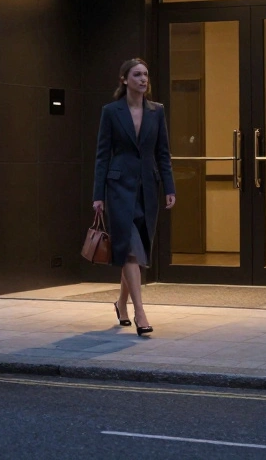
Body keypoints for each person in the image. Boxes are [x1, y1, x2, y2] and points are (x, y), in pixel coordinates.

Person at [92, 58, 175, 336]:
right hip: (118, 188)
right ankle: (141, 313)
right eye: (137, 75)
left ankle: (121, 304)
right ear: (124, 79)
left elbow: (163, 152)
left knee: (136, 252)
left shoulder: (157, 112)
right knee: (129, 249)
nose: (143, 79)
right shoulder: (111, 112)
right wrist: (98, 195)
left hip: (148, 188)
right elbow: (102, 155)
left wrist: (170, 187)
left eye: (146, 75)